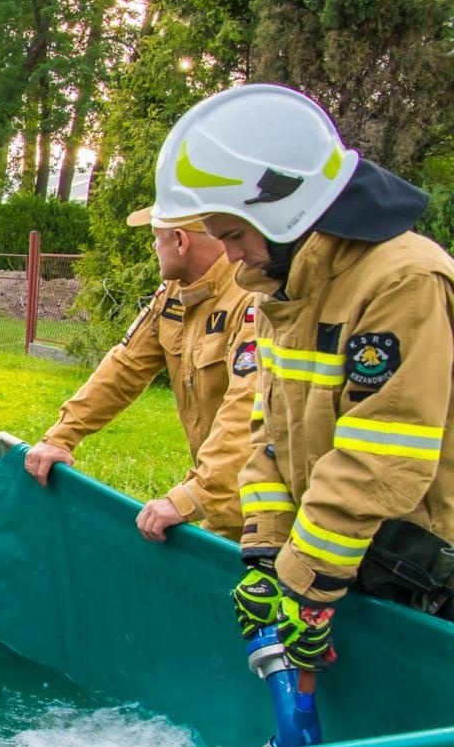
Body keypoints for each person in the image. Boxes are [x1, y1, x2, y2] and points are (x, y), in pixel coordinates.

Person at [150, 84, 454, 682]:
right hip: (348, 564)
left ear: (283, 211)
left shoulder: (404, 281)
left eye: (234, 235)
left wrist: (302, 584)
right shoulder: (283, 291)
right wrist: (267, 556)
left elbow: (379, 458)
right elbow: (270, 437)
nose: (231, 257)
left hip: (424, 577)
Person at [24, 206, 261, 541]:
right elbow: (125, 366)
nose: (153, 247)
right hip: (226, 503)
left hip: (274, 504)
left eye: (155, 237)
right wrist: (62, 436)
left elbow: (248, 406)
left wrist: (193, 495)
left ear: (180, 241)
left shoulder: (254, 298)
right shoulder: (175, 294)